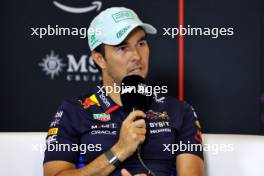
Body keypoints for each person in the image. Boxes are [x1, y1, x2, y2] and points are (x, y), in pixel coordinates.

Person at [43, 7, 204, 176]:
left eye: (141, 43)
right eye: (122, 47)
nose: (136, 56)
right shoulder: (74, 111)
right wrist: (119, 150)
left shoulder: (179, 111)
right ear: (100, 59)